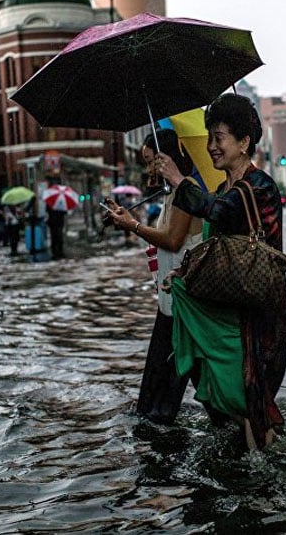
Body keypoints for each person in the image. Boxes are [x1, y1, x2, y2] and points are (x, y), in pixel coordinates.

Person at [149, 93, 286, 451]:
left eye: (219, 137)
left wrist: (180, 179)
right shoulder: (222, 188)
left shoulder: (258, 186)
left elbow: (222, 212)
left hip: (256, 313)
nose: (211, 146)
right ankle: (261, 461)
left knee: (252, 392)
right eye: (209, 137)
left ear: (244, 143)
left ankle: (268, 478)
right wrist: (182, 274)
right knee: (237, 396)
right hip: (228, 312)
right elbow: (212, 247)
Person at [106, 129, 204, 425]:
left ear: (165, 158)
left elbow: (173, 240)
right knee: (157, 394)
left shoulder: (185, 189)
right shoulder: (172, 193)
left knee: (159, 401)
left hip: (183, 307)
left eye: (151, 161)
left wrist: (133, 225)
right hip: (171, 303)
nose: (148, 169)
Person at [45, 179, 68, 260]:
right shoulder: (62, 201)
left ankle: (55, 253)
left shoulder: (49, 200)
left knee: (54, 237)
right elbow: (65, 212)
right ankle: (60, 252)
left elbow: (47, 210)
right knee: (59, 236)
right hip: (59, 222)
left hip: (52, 222)